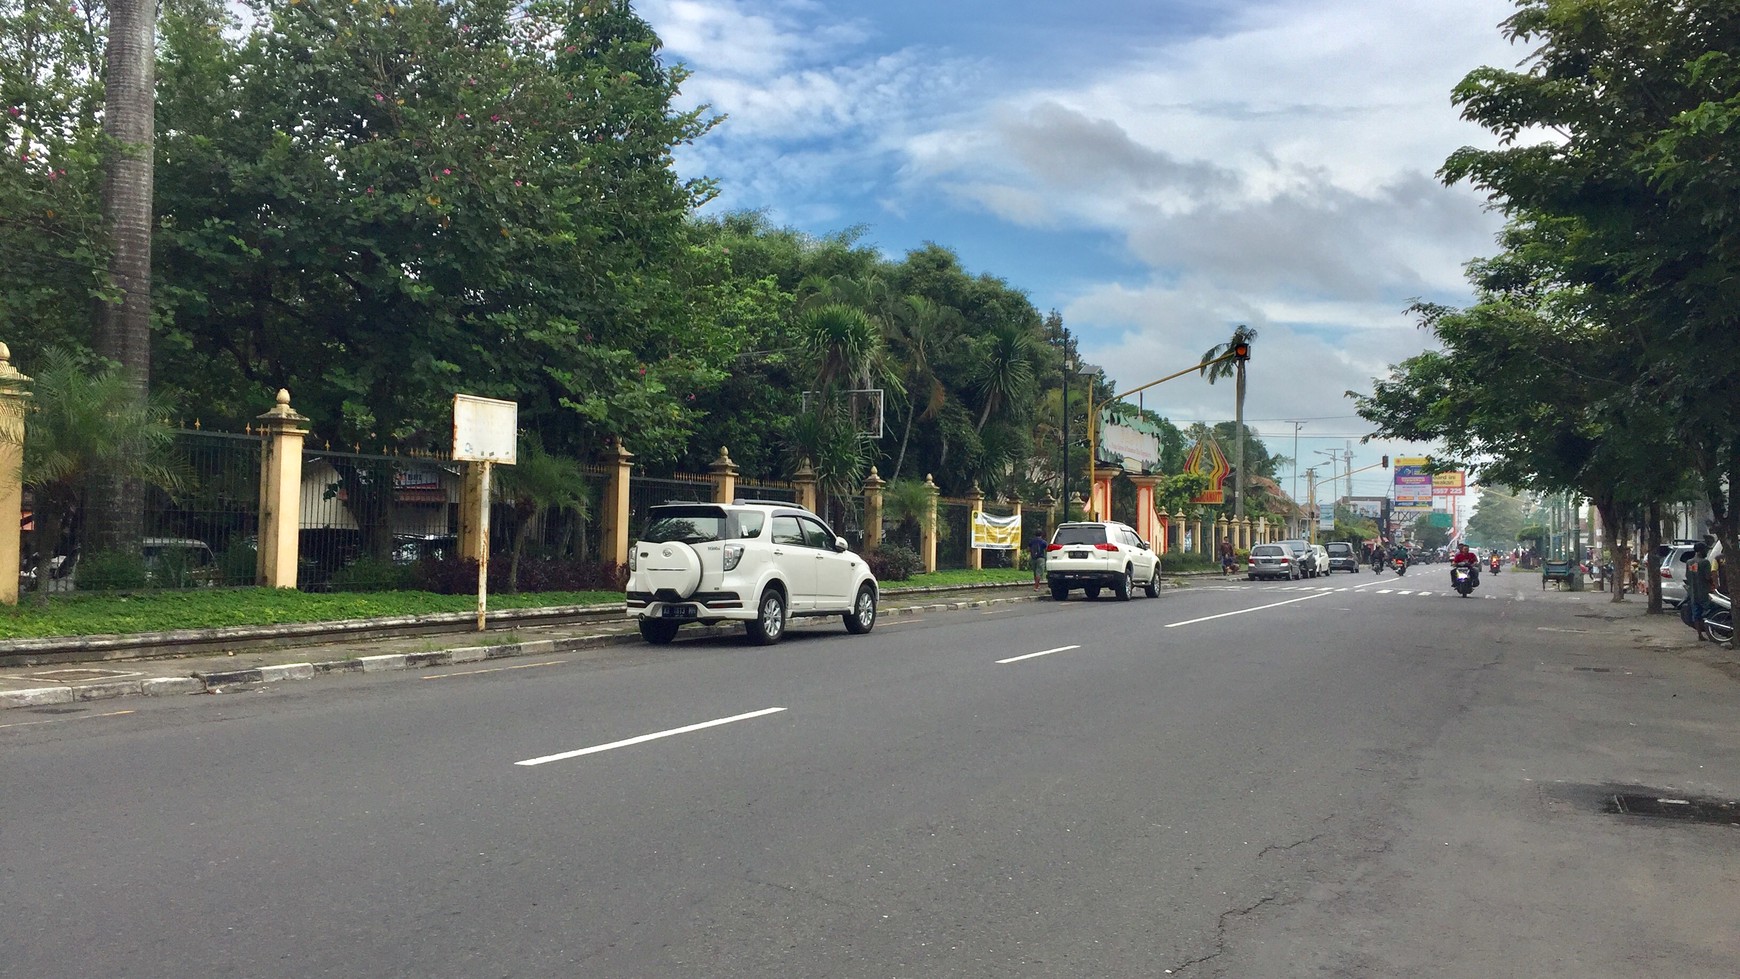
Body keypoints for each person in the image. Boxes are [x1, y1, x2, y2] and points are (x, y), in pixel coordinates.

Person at [1685, 542, 1715, 640]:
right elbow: (1708, 577)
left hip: (1693, 592)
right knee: (1710, 612)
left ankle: (1700, 635)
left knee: (1696, 614)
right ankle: (1710, 633)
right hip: (1704, 592)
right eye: (1705, 550)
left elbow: (1687, 576)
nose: (1706, 551)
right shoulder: (1705, 562)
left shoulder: (1689, 562)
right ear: (1701, 551)